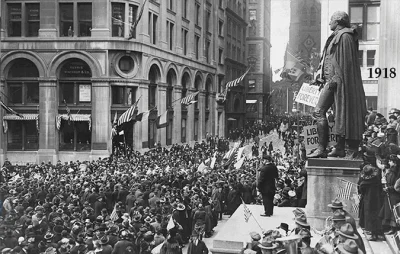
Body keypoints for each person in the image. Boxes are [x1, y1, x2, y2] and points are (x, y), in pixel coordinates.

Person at [308, 11, 367, 158]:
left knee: (321, 112)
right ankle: (333, 147)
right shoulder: (336, 36)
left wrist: (335, 79)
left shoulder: (345, 36)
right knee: (333, 114)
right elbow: (330, 61)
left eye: (331, 20)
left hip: (338, 83)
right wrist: (321, 77)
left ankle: (325, 148)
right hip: (332, 82)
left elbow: (346, 65)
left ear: (339, 21)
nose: (329, 23)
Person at [358, 164, 383, 241]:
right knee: (376, 215)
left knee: (368, 216)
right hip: (377, 200)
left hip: (367, 200)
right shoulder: (376, 179)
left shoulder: (363, 182)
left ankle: (371, 234)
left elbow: (361, 190)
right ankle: (377, 233)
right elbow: (380, 188)